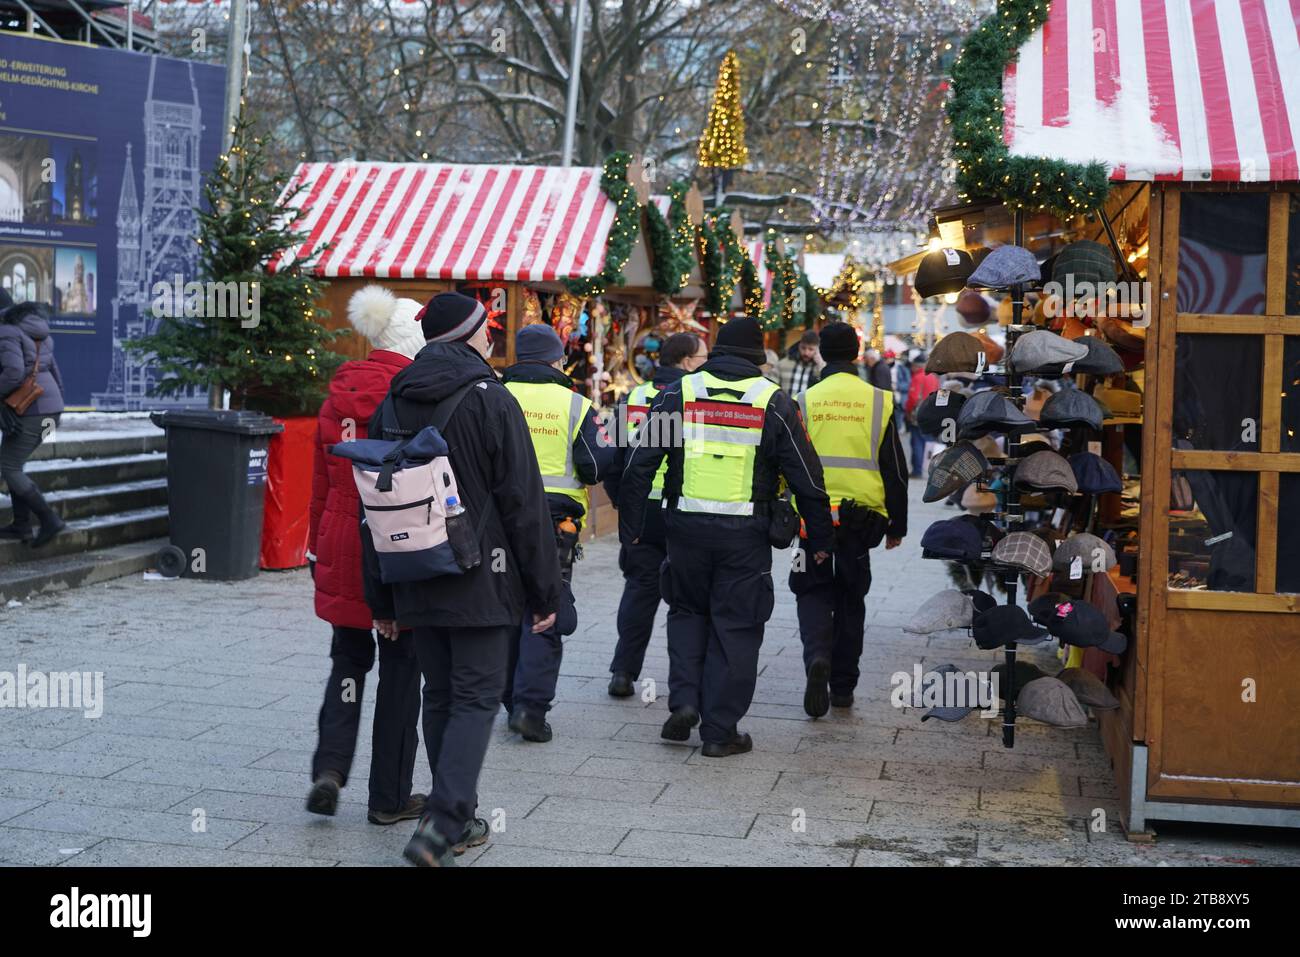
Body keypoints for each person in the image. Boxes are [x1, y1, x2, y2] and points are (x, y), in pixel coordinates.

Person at [363, 291, 563, 868]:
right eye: (488, 330)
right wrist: (546, 591)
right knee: (476, 697)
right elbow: (524, 504)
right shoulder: (491, 400)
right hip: (481, 575)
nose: (492, 338)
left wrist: (382, 597)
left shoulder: (393, 402)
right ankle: (442, 823)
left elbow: (371, 507)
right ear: (472, 336)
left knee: (443, 694)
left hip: (413, 572)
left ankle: (456, 816)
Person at [619, 317, 833, 757]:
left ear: (716, 351)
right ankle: (719, 730)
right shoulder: (773, 402)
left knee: (687, 614)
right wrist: (821, 541)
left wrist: (632, 530)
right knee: (736, 626)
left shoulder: (679, 393)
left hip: (685, 532)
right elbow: (808, 478)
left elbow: (640, 462)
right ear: (758, 356)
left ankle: (683, 702)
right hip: (744, 538)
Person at [305, 285, 428, 825]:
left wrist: (316, 546)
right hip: (393, 543)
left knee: (348, 662)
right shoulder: (412, 394)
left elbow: (319, 484)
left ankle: (329, 769)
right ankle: (389, 798)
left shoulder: (338, 394)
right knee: (401, 670)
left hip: (338, 538)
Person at [500, 323, 613, 743]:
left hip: (500, 520)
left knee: (506, 606)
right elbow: (595, 467)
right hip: (555, 524)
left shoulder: (495, 395)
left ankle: (509, 698)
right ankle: (530, 706)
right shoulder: (576, 405)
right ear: (556, 360)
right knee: (545, 608)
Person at [789, 322, 909, 716]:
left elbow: (787, 461)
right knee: (851, 598)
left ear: (821, 350)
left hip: (811, 522)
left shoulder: (803, 400)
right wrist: (898, 524)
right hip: (861, 522)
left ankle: (816, 657)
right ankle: (842, 687)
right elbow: (894, 466)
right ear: (857, 353)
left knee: (810, 590)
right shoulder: (879, 400)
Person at [605, 332, 708, 698]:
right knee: (686, 599)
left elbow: (615, 454)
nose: (705, 362)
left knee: (639, 590)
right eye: (702, 357)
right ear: (686, 361)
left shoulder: (633, 396)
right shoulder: (694, 396)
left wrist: (621, 502)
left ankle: (622, 672)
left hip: (643, 508)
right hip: (683, 507)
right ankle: (688, 683)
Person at [0, 294, 66, 548]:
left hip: (31, 408)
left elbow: (15, 373)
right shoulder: (37, 331)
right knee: (12, 462)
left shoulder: (6, 331)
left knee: (9, 467)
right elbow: (54, 373)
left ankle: (49, 519)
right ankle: (21, 525)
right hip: (45, 407)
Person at [905, 354, 940, 478]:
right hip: (931, 413)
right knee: (928, 441)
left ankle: (917, 470)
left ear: (916, 366)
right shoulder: (933, 377)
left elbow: (913, 398)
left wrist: (908, 411)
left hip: (918, 415)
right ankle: (929, 469)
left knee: (917, 442)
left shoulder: (918, 377)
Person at [778, 328, 824, 395]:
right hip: (785, 404)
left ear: (817, 350)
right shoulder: (783, 364)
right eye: (803, 348)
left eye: (811, 349)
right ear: (799, 345)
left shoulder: (821, 367)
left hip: (809, 405)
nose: (806, 353)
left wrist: (820, 364)